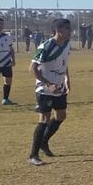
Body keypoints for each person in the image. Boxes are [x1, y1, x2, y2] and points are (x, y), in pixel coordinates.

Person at [28, 19, 72, 166]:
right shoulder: (46, 46)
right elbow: (33, 68)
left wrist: (67, 79)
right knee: (44, 119)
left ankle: (44, 141)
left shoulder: (66, 44)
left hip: (59, 87)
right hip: (44, 89)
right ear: (58, 30)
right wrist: (48, 84)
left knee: (61, 115)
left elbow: (64, 63)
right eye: (67, 28)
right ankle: (33, 155)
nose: (69, 31)